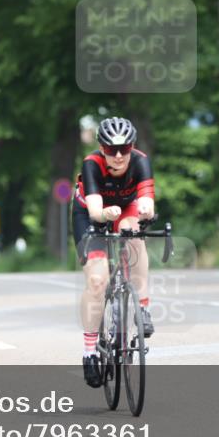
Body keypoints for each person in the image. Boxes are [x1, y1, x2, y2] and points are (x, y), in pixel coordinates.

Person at [71, 117, 155, 388]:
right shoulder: (92, 164)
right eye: (110, 150)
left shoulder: (141, 162)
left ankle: (142, 308)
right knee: (97, 281)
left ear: (132, 146)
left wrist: (145, 211)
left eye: (125, 148)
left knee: (134, 236)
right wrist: (104, 214)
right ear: (101, 148)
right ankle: (89, 350)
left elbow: (148, 204)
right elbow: (96, 210)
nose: (118, 156)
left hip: (126, 209)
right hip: (90, 212)